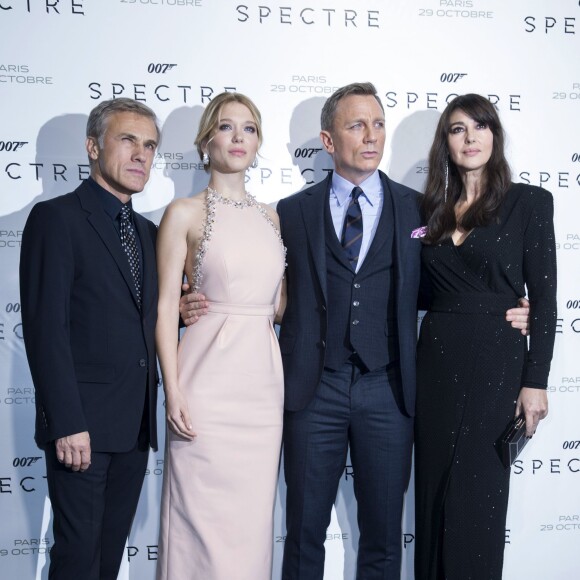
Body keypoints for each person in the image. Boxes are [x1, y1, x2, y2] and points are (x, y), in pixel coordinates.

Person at [180, 83, 531, 579]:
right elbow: (247, 275)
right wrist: (184, 298)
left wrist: (511, 308)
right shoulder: (291, 213)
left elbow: (448, 287)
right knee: (303, 534)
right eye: (356, 125)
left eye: (379, 124)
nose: (371, 136)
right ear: (327, 140)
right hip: (311, 389)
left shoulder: (419, 209)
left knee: (384, 537)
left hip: (389, 390)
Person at [414, 93, 556, 579]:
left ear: (495, 136)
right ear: (446, 142)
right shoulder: (428, 210)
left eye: (480, 126)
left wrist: (535, 381)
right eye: (457, 129)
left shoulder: (529, 202)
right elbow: (414, 291)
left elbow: (546, 297)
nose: (470, 137)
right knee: (433, 499)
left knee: (478, 503)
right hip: (434, 369)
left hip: (497, 366)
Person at [19, 98, 160, 580]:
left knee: (107, 559)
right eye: (128, 140)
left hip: (135, 425)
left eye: (150, 145)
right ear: (92, 146)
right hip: (80, 427)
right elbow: (45, 330)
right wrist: (66, 421)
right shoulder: (56, 219)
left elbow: (136, 318)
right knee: (77, 559)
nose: (142, 154)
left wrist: (181, 314)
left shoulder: (148, 231)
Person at [155, 92, 285, 580]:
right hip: (205, 383)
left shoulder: (271, 217)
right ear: (206, 139)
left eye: (249, 128)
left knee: (251, 525)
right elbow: (167, 307)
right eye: (227, 127)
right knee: (198, 518)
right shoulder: (183, 213)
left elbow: (278, 305)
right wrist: (174, 390)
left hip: (262, 389)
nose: (238, 137)